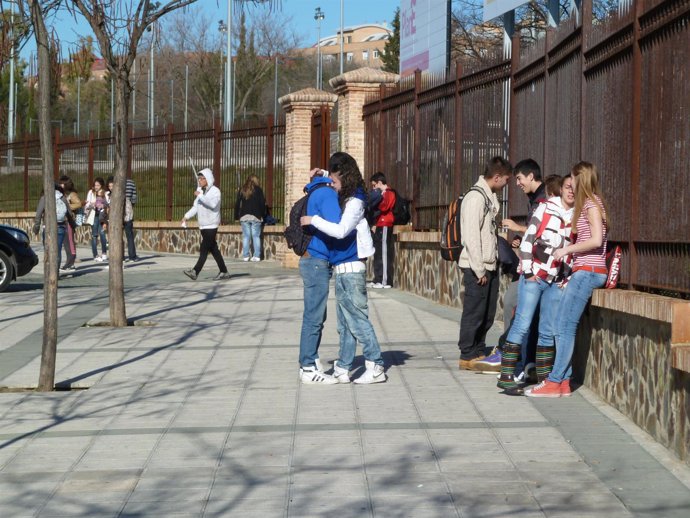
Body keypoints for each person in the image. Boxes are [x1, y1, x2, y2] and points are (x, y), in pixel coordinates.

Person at [301, 152, 386, 384]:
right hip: (342, 266)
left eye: (335, 181)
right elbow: (337, 178)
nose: (332, 185)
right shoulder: (349, 192)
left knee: (357, 319)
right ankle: (344, 366)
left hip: (351, 266)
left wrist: (313, 220)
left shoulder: (356, 200)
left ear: (345, 178)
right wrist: (323, 173)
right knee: (344, 323)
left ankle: (376, 363)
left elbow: (341, 230)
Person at [526, 162, 609, 398]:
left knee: (564, 326)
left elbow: (596, 240)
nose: (570, 182)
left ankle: (555, 381)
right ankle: (562, 381)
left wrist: (567, 250)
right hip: (583, 271)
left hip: (589, 271)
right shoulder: (588, 204)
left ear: (581, 179)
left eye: (573, 178)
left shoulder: (592, 204)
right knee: (562, 325)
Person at [497, 175, 575, 394]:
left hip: (556, 280)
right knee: (522, 323)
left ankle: (544, 380)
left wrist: (565, 279)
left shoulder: (576, 215)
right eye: (568, 187)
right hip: (535, 276)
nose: (571, 192)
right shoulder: (546, 208)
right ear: (562, 188)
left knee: (547, 330)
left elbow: (573, 251)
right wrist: (529, 271)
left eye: (575, 189)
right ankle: (506, 377)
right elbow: (529, 239)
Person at [457, 156, 512, 370]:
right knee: (474, 311)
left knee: (487, 312)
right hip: (476, 266)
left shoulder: (488, 197)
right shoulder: (476, 198)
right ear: (497, 177)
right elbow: (470, 236)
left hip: (489, 265)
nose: (507, 184)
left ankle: (479, 349)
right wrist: (479, 268)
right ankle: (467, 353)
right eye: (506, 180)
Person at [297, 169, 342, 384]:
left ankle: (311, 362)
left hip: (311, 260)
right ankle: (307, 366)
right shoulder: (327, 194)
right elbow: (337, 226)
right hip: (317, 260)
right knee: (314, 316)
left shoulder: (314, 191)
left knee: (315, 315)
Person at [181, 168, 230, 281]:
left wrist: (200, 196)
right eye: (199, 178)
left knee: (204, 248)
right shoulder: (201, 191)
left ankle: (195, 271)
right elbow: (196, 207)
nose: (200, 181)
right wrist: (186, 216)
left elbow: (212, 204)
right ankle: (224, 271)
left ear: (208, 179)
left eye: (203, 178)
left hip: (211, 225)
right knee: (213, 249)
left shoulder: (215, 191)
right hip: (203, 225)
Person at [368, 172, 396, 289]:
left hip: (385, 224)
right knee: (378, 252)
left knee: (384, 253)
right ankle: (378, 278)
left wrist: (378, 199)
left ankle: (385, 280)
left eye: (374, 185)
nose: (374, 188)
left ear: (380, 183)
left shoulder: (389, 193)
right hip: (379, 224)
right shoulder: (383, 193)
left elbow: (385, 207)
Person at [32, 184, 70, 269]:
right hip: (61, 227)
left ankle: (48, 272)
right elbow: (69, 213)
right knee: (58, 250)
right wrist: (73, 225)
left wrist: (36, 228)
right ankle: (56, 273)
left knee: (48, 250)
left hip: (48, 228)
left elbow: (38, 215)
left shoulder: (44, 198)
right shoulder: (62, 198)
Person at [235, 175, 266, 262]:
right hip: (256, 216)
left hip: (244, 216)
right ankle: (256, 256)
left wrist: (236, 216)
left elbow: (237, 203)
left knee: (246, 236)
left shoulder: (243, 189)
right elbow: (262, 203)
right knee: (256, 236)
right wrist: (263, 215)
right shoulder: (259, 190)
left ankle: (245, 256)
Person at [58, 176, 80, 272]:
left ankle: (70, 263)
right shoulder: (62, 194)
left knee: (70, 242)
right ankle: (69, 262)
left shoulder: (72, 194)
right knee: (66, 243)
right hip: (63, 221)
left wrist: (67, 206)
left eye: (62, 183)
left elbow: (78, 204)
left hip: (69, 221)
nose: (60, 185)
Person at [85, 177, 108, 262]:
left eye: (98, 185)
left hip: (102, 216)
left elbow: (108, 204)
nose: (96, 187)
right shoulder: (91, 192)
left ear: (101, 185)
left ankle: (104, 253)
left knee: (102, 233)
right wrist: (92, 204)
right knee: (94, 235)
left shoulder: (105, 193)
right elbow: (87, 205)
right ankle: (95, 254)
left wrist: (103, 205)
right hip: (93, 215)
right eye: (95, 185)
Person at [125, 178, 139, 262]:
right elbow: (134, 197)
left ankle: (120, 256)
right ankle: (132, 256)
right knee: (129, 235)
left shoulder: (115, 181)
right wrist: (131, 204)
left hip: (117, 212)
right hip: (128, 210)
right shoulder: (131, 182)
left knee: (117, 235)